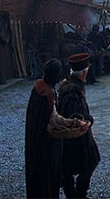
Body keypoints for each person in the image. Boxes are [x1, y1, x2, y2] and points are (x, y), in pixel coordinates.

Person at [25, 59, 89, 198]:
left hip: (36, 140)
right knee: (51, 176)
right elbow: (54, 120)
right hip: (47, 143)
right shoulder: (47, 94)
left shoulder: (38, 87)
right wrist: (75, 123)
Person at [56, 53, 101, 199]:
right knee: (90, 161)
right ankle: (77, 195)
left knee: (70, 165)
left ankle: (74, 194)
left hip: (73, 132)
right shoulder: (72, 89)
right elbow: (74, 113)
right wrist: (88, 119)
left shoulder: (68, 85)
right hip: (76, 133)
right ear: (82, 73)